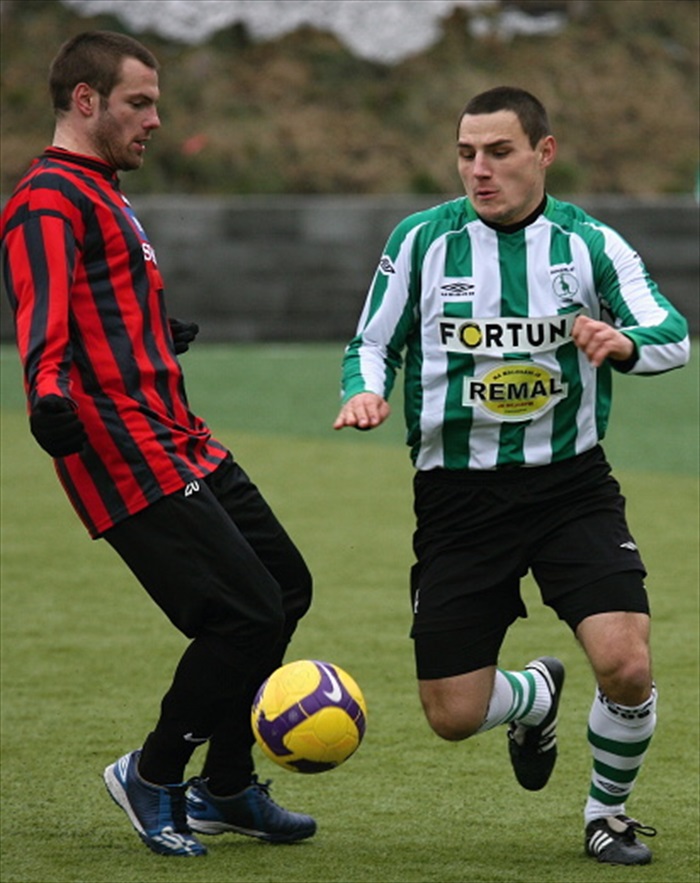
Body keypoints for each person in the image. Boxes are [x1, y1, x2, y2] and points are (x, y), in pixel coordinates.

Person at [334, 86, 690, 865]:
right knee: (453, 714)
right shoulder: (423, 240)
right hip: (458, 500)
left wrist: (621, 344)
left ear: (543, 152)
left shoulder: (588, 243)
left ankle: (608, 813)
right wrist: (362, 389)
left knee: (627, 663)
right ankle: (533, 695)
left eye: (498, 152)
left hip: (571, 487)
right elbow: (371, 341)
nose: (479, 170)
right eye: (466, 154)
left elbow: (672, 333)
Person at [1, 31, 316, 858]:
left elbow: (97, 298)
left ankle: (226, 786)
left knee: (285, 585)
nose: (156, 119)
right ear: (84, 101)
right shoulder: (47, 196)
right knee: (242, 613)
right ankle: (154, 770)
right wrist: (45, 395)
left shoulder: (102, 191)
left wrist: (150, 330)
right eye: (139, 102)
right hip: (121, 447)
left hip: (178, 434)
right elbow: (41, 314)